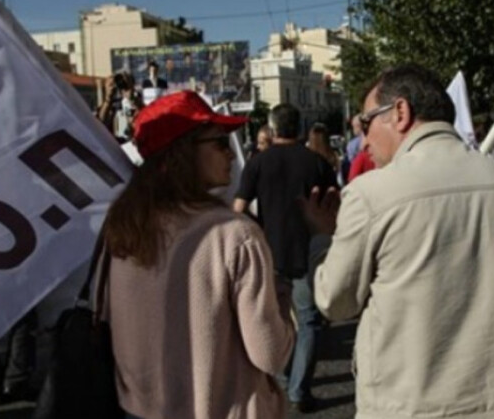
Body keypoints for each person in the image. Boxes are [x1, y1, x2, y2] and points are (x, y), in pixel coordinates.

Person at [301, 64, 494, 419]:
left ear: (400, 112)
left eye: (366, 123)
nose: (364, 141)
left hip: (410, 405)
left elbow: (335, 301)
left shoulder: (372, 194)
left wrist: (323, 239)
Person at [103, 91, 295, 419]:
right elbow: (270, 354)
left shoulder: (123, 228)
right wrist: (284, 307)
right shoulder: (234, 234)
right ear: (183, 153)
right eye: (220, 142)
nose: (232, 154)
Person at [232, 104, 337, 413]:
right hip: (309, 251)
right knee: (308, 321)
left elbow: (238, 211)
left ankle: (279, 376)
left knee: (272, 319)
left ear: (273, 128)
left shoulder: (257, 163)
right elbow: (335, 205)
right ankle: (299, 388)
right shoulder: (316, 163)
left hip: (269, 254)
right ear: (299, 127)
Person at [96, 71, 143, 142]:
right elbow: (101, 121)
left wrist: (131, 97)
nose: (121, 85)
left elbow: (144, 114)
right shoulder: (112, 103)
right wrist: (108, 98)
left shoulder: (137, 100)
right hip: (116, 144)